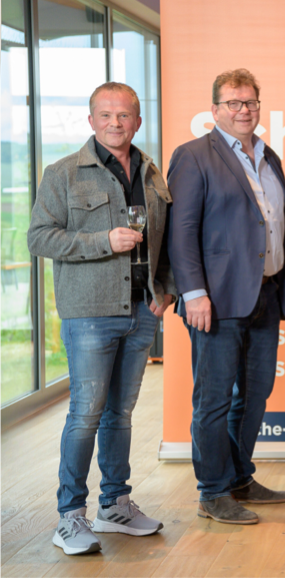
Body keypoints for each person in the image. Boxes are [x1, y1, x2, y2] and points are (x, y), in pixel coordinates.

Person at [28, 82, 175, 555]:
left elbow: (167, 239)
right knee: (85, 416)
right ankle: (71, 516)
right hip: (90, 314)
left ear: (137, 121)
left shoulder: (152, 173)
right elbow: (39, 238)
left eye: (125, 115)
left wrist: (167, 289)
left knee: (120, 415)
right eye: (106, 115)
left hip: (141, 312)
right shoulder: (63, 173)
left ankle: (115, 506)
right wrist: (101, 242)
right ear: (91, 121)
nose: (116, 123)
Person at [168, 69, 285, 525]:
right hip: (216, 301)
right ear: (215, 109)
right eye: (234, 103)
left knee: (255, 394)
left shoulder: (269, 155)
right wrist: (194, 293)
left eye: (251, 102)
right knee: (214, 399)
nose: (244, 110)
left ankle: (240, 477)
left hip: (266, 293)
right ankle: (213, 491)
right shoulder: (193, 156)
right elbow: (181, 232)